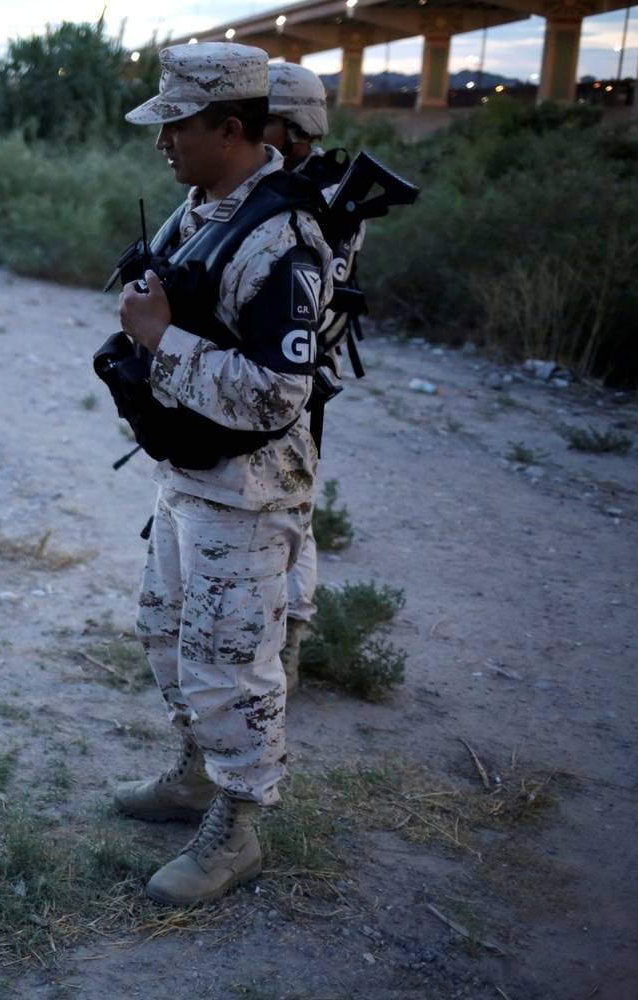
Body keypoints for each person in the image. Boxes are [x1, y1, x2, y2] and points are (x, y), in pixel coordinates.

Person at [107, 43, 334, 906]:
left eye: (176, 125)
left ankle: (236, 828)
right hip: (190, 474)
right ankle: (196, 774)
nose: (162, 142)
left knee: (231, 663)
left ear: (229, 128)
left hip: (250, 490)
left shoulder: (284, 238)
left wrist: (164, 338)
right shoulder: (203, 206)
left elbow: (280, 392)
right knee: (165, 630)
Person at [265, 62, 368, 693]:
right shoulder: (290, 185)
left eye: (263, 118)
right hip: (283, 369)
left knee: (292, 514)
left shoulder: (324, 194)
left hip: (296, 380)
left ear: (294, 124)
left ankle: (290, 644)